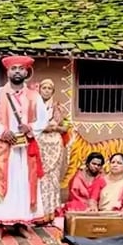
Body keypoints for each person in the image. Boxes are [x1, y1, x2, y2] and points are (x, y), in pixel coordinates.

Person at [0, 55, 49, 241]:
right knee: (2, 185)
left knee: (22, 185)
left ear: (26, 72)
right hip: (0, 146)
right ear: (7, 72)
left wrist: (31, 128)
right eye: (13, 68)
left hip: (23, 149)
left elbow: (43, 120)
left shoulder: (34, 96)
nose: (17, 72)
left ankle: (21, 224)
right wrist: (3, 132)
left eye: (21, 69)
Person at [37, 78, 69, 223]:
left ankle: (51, 212)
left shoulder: (58, 107)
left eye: (50, 88)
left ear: (53, 91)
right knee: (40, 178)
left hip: (55, 145)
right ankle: (39, 213)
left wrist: (55, 128)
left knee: (53, 178)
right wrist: (42, 127)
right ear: (39, 90)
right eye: (44, 88)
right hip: (39, 144)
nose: (47, 91)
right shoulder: (34, 107)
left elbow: (66, 127)